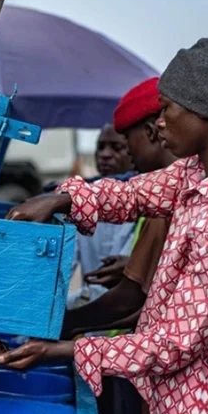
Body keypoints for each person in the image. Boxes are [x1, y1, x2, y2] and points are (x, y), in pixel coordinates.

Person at [0, 38, 208, 414]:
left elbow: (175, 343)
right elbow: (135, 193)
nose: (159, 122)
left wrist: (63, 349)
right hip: (183, 396)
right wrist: (60, 198)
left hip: (207, 412)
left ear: (203, 109)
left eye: (166, 109)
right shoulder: (202, 172)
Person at [61, 77, 177, 414]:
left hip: (147, 361)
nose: (127, 156)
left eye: (127, 144)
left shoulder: (169, 197)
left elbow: (134, 296)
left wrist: (67, 329)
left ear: (153, 132)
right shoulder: (166, 193)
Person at [64, 124, 138, 311]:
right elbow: (63, 269)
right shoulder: (81, 204)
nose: (105, 154)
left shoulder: (151, 205)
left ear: (135, 151)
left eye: (116, 147)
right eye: (101, 147)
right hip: (90, 319)